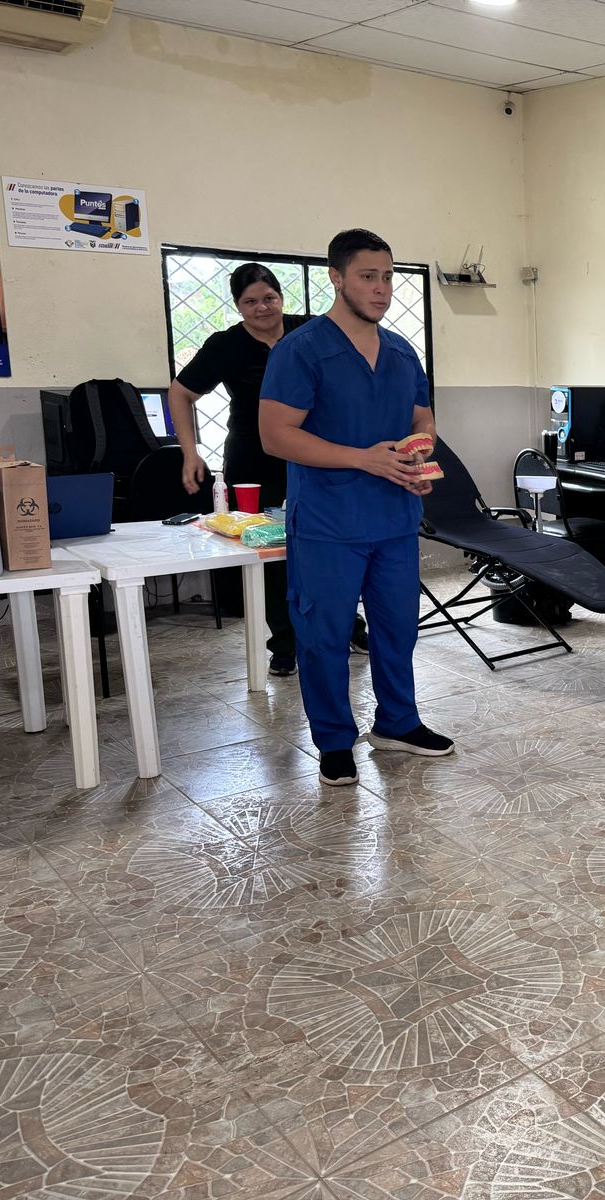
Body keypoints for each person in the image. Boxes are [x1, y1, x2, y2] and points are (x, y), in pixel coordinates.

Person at [259, 228, 453, 787]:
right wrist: (361, 459)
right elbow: (276, 435)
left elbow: (422, 418)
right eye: (368, 276)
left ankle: (398, 722)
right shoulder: (301, 350)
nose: (382, 288)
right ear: (337, 278)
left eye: (388, 277)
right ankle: (334, 741)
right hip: (329, 523)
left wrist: (418, 455)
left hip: (394, 519)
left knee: (397, 628)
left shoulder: (401, 352)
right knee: (324, 636)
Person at [168, 262, 362, 676]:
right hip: (253, 463)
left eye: (269, 298)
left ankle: (349, 627)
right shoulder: (226, 345)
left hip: (314, 456)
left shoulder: (310, 330)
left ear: (281, 297)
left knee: (330, 545)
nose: (262, 308)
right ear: (238, 306)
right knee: (271, 555)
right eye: (250, 301)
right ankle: (285, 644)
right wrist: (190, 452)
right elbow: (180, 393)